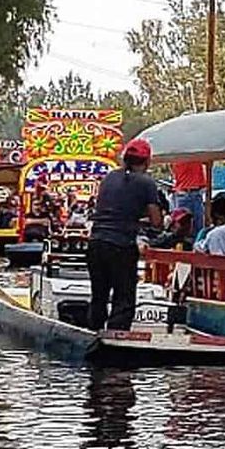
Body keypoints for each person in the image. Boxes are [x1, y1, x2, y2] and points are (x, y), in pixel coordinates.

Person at [87, 138, 162, 332]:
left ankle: (93, 333)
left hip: (96, 243)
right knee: (123, 298)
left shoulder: (109, 178)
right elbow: (157, 222)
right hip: (121, 245)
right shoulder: (146, 183)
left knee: (99, 296)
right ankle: (116, 337)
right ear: (147, 162)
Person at [170, 160, 208, 235]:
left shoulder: (177, 158)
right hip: (187, 193)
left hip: (189, 193)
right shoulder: (196, 155)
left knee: (187, 225)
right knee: (189, 225)